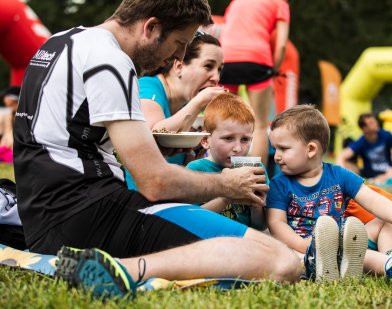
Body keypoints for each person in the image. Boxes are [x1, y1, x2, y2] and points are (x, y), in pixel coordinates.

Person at [13, 0, 301, 298]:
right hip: (88, 215)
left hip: (44, 215)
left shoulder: (61, 42)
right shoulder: (109, 60)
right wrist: (225, 184)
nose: (177, 57)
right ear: (151, 27)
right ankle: (125, 270)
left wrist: (156, 151)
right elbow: (155, 183)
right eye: (179, 43)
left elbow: (66, 138)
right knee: (281, 261)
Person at [266, 104, 392, 284]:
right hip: (304, 248)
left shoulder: (339, 175)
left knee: (383, 221)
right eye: (275, 149)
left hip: (345, 241)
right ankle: (389, 266)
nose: (276, 156)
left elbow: (373, 200)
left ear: (311, 149)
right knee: (288, 256)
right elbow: (276, 223)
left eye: (283, 149)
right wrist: (304, 245)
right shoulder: (279, 184)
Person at [125, 31, 224, 189]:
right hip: (140, 198)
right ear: (179, 66)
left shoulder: (186, 105)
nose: (216, 78)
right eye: (208, 66)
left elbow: (185, 166)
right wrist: (198, 103)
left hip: (170, 192)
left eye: (219, 69)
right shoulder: (147, 86)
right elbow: (156, 133)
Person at [219, 0, 290, 167]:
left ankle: (222, 171)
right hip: (257, 58)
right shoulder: (280, 4)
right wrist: (274, 70)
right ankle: (258, 180)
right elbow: (281, 45)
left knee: (226, 120)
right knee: (259, 125)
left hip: (226, 57)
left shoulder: (236, 2)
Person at [186, 92, 266, 230]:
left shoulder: (255, 170)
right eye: (228, 138)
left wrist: (256, 206)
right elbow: (191, 220)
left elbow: (260, 226)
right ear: (205, 140)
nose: (238, 148)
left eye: (245, 139)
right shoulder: (195, 170)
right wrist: (226, 198)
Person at [336, 113, 392, 185]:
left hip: (388, 170)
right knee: (347, 164)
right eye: (371, 123)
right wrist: (341, 176)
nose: (376, 124)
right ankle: (376, 180)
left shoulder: (386, 135)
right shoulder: (361, 142)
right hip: (369, 173)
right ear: (364, 128)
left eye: (375, 121)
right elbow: (342, 156)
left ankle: (379, 180)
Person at [0, 86, 20, 163]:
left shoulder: (22, 113)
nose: (4, 99)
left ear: (11, 99)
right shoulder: (10, 114)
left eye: (5, 97)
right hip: (7, 148)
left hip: (15, 150)